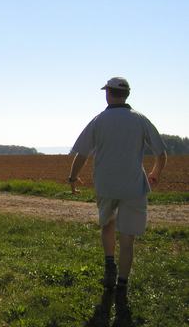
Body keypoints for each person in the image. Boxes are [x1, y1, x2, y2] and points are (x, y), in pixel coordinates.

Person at [68, 77, 167, 294]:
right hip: (133, 186)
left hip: (106, 185)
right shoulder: (141, 119)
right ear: (127, 95)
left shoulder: (98, 120)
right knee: (127, 237)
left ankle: (109, 263)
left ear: (108, 93)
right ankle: (122, 283)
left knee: (107, 225)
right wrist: (155, 174)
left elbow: (82, 154)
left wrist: (73, 178)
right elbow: (161, 153)